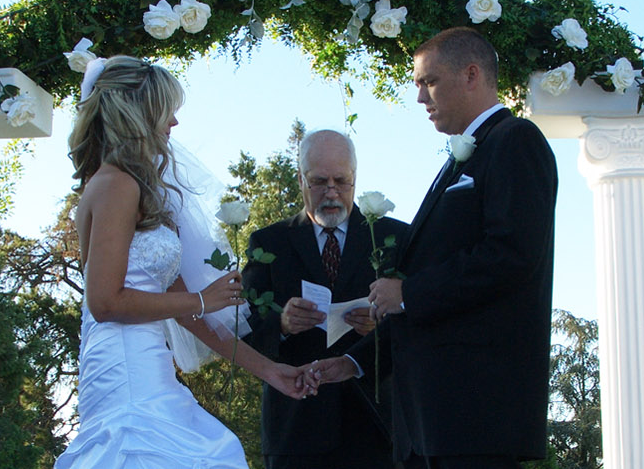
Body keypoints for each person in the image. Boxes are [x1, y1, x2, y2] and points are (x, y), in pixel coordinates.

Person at [311, 27, 559, 468]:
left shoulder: (515, 141)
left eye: (429, 82)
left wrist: (408, 293)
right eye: (417, 85)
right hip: (429, 420)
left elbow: (512, 255)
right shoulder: (464, 156)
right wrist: (356, 361)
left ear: (471, 74)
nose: (421, 98)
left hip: (475, 412)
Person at [54, 56, 313, 469]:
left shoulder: (135, 188)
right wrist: (202, 299)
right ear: (137, 114)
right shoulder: (115, 185)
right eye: (166, 111)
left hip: (149, 364)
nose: (173, 124)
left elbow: (190, 316)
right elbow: (104, 303)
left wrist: (269, 370)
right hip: (125, 371)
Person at [242, 130, 406, 469]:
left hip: (379, 427)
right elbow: (244, 328)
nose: (331, 192)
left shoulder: (396, 238)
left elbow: (421, 320)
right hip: (296, 427)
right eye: (319, 181)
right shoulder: (269, 242)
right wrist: (282, 324)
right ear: (301, 179)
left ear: (355, 179)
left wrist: (381, 323)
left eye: (341, 181)